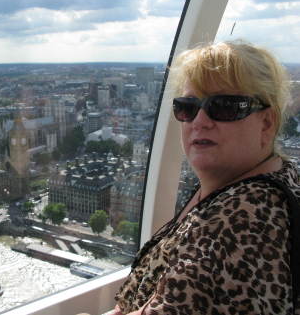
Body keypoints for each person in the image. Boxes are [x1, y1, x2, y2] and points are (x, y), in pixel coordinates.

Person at [113, 40, 300, 314]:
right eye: (187, 107)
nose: (199, 121)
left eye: (224, 106)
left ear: (266, 123)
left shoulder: (244, 219)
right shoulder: (270, 178)